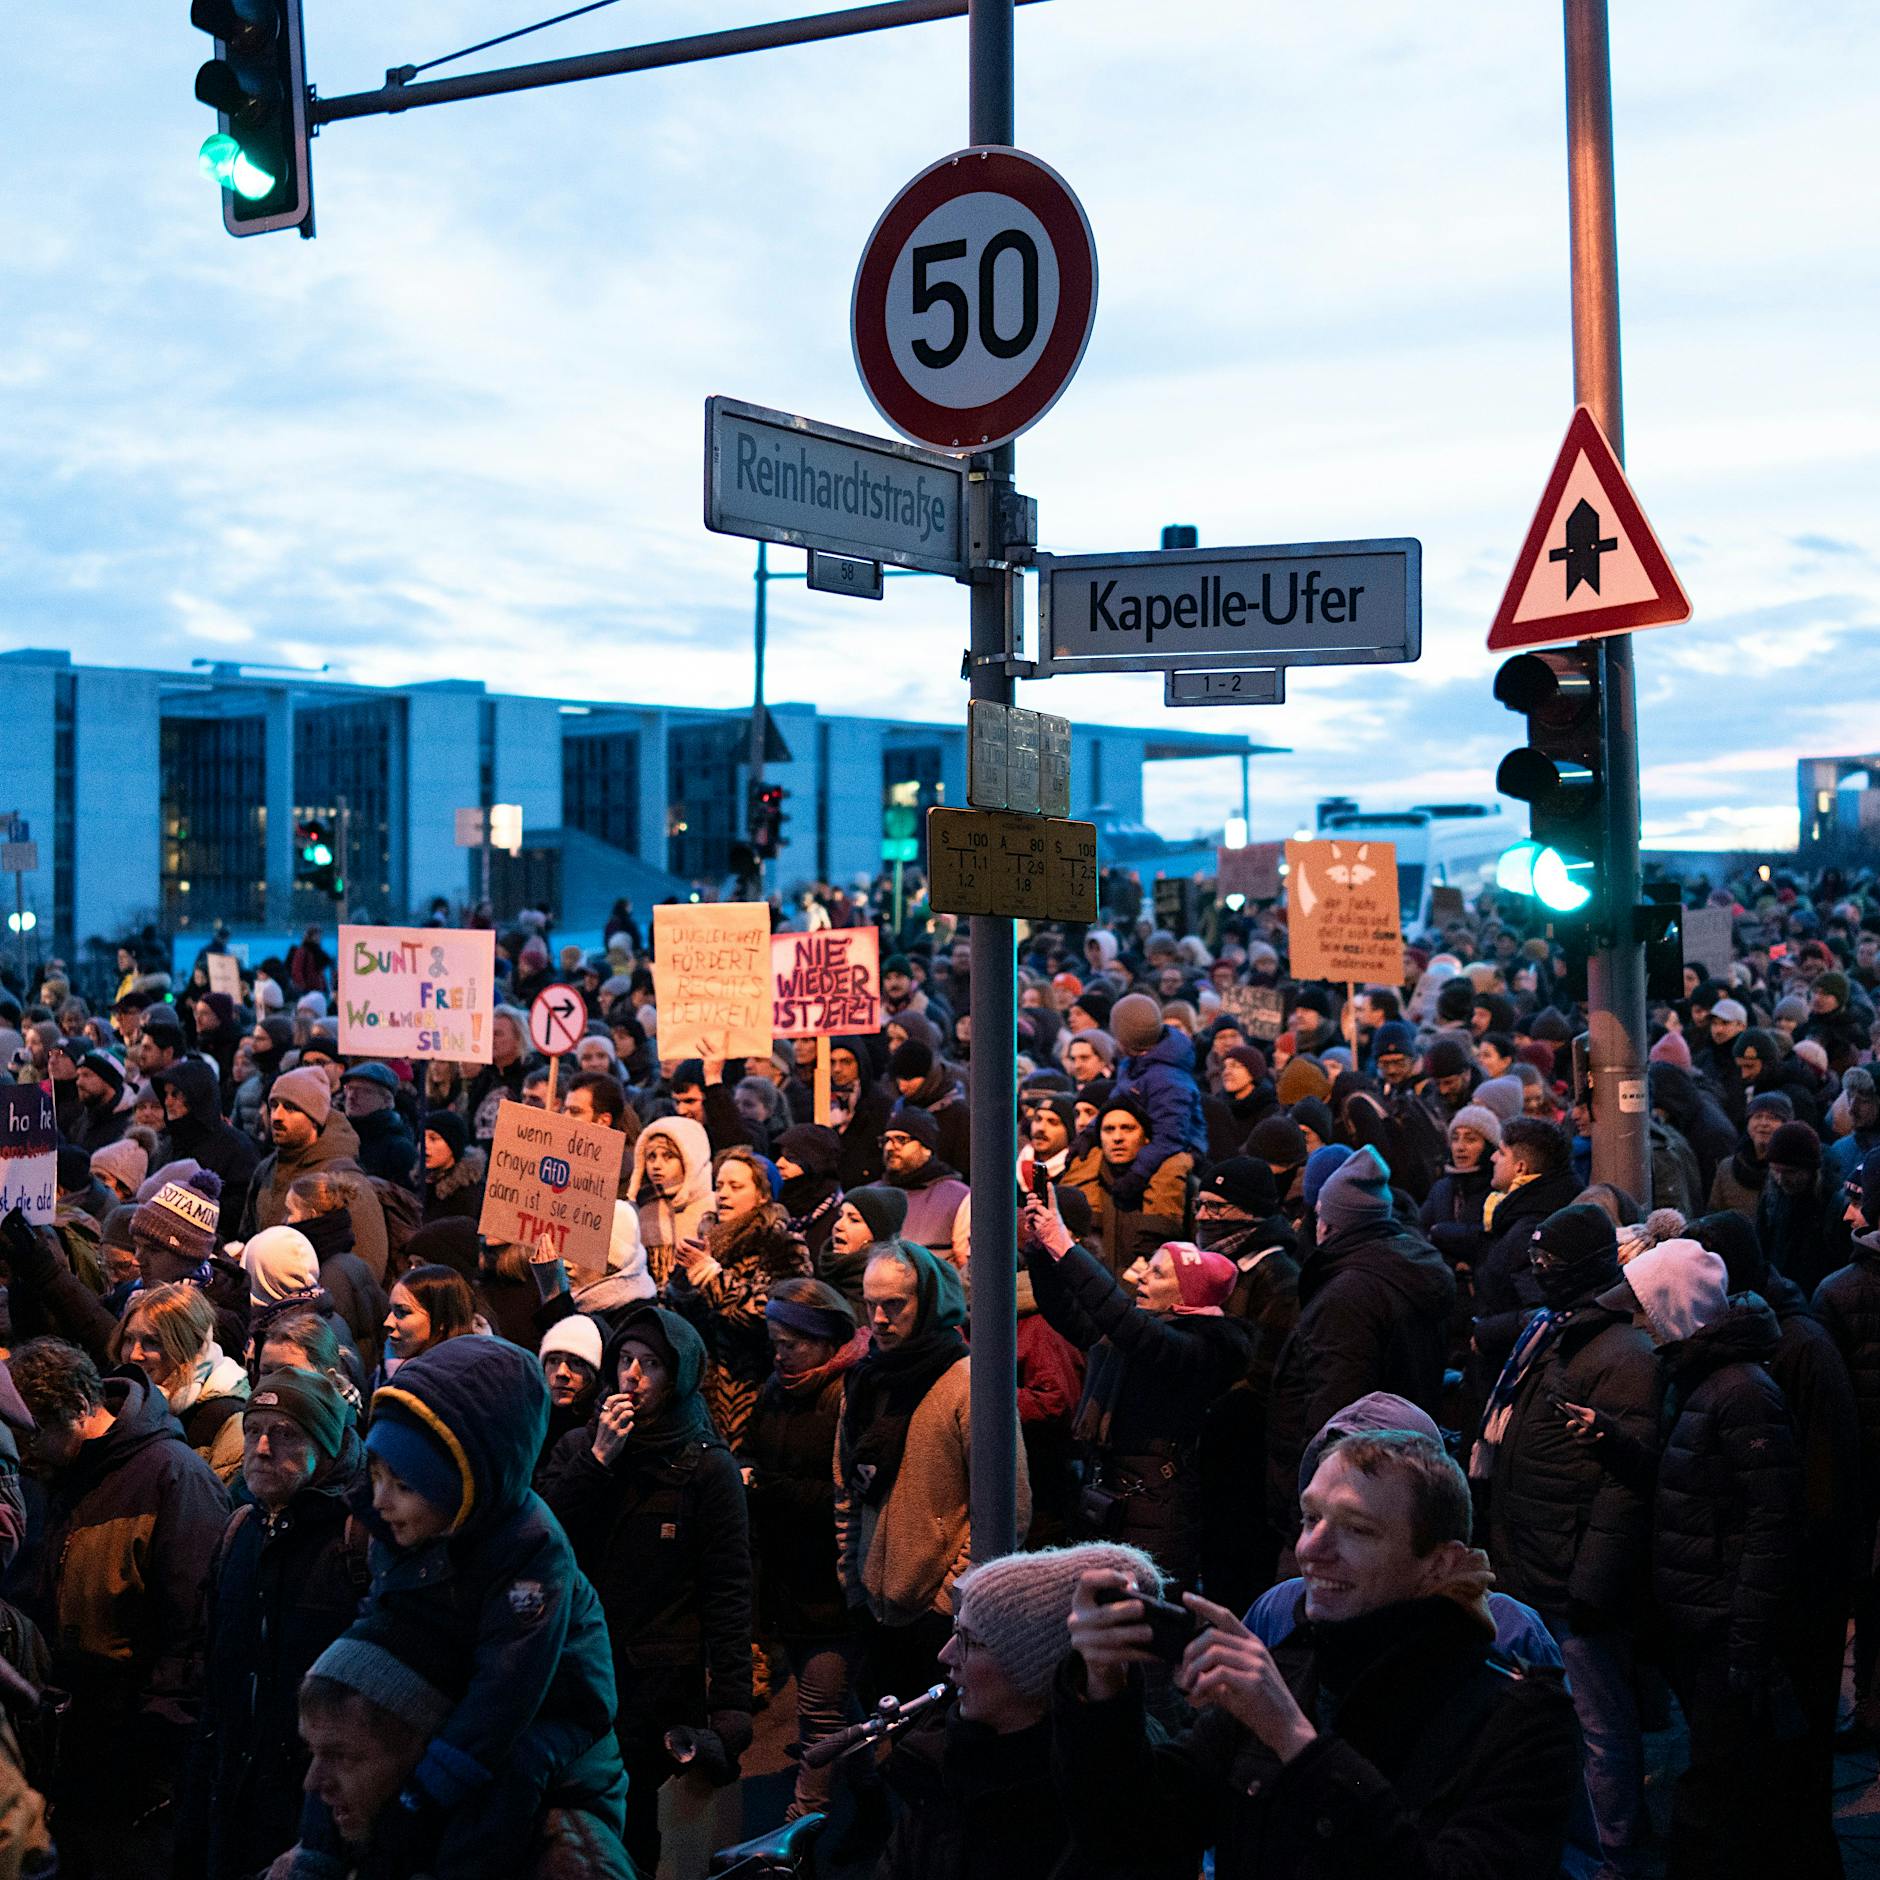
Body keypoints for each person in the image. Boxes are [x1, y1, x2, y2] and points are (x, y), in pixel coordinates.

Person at [1057, 1428, 1582, 1880]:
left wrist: (1297, 1742)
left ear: (1440, 1564)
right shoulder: (1290, 1667)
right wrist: (1101, 1688)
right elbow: (1130, 1835)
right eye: (1310, 1519)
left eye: (1357, 1529)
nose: (1311, 1549)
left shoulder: (1521, 1717)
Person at [288, 1336, 622, 1879]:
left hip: (552, 1714)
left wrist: (424, 1792)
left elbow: (507, 1694)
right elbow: (382, 1621)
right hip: (456, 1688)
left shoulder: (532, 1551)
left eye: (404, 1485)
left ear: (467, 1485)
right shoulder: (405, 1528)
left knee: (498, 1787)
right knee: (342, 1737)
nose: (379, 1501)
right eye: (376, 1475)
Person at [1593, 1236, 1808, 1880]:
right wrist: (1613, 1442)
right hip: (1704, 1617)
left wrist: (1745, 1641)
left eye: (1643, 1307)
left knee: (1719, 1787)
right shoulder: (1699, 1376)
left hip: (1722, 1625)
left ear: (1673, 1307)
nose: (1637, 1321)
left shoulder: (1740, 1389)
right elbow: (1683, 1481)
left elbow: (1773, 1521)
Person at [1470, 1201, 1662, 1876]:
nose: (1536, 1271)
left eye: (1548, 1261)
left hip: (1571, 1568)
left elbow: (1623, 1488)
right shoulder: (1557, 1331)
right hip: (1537, 1552)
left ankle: (1615, 1854)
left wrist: (1591, 1581)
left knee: (1599, 1724)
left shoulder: (1622, 1352)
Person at [540, 1307, 753, 1878]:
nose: (633, 1375)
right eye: (626, 1361)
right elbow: (547, 1542)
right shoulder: (579, 1449)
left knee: (638, 1823)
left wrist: (732, 1705)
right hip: (581, 1666)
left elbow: (728, 1589)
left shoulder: (708, 1468)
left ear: (678, 1375)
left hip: (658, 1678)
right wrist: (598, 1461)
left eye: (651, 1364)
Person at [8, 1337, 230, 1880]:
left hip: (138, 1767)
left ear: (82, 1410)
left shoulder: (172, 1477)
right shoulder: (62, 1475)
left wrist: (153, 1758)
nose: (25, 1452)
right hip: (78, 1753)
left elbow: (195, 1633)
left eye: (35, 1433)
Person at [877, 1542, 1175, 1880]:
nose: (945, 1656)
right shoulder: (940, 1754)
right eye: (954, 1631)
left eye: (969, 1641)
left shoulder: (1107, 1793)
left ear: (1040, 1669)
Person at [178, 1368, 368, 1880]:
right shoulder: (239, 1530)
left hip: (317, 1809)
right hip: (233, 1798)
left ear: (325, 1445)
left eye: (284, 1433)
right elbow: (217, 1685)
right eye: (252, 1429)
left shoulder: (359, 1541)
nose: (261, 1448)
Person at [285, 1617, 632, 1880]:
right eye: (312, 1753)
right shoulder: (370, 1837)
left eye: (343, 1756)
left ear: (430, 1749)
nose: (313, 1783)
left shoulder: (565, 1865)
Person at [1021, 1193, 1250, 1591]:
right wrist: (1040, 1253)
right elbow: (1068, 1314)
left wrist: (1065, 1245)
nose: (1141, 1276)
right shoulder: (1141, 1333)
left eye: (1158, 1274)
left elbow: (1124, 1321)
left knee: (1144, 1622)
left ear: (1187, 1297)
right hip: (1110, 1495)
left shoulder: (1201, 1347)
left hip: (1158, 1508)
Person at [837, 1240, 1028, 1702]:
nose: (878, 1319)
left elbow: (1008, 1509)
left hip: (937, 1616)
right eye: (870, 1304)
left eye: (894, 1305)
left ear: (928, 1303)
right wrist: (852, 1581)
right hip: (875, 1605)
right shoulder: (866, 1380)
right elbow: (846, 1492)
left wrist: (949, 1601)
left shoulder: (969, 1382)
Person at [1264, 1146, 1455, 1552]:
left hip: (1347, 1496)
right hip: (1391, 1481)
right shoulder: (1405, 1268)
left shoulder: (1349, 1295)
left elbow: (1336, 1410)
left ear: (1328, 1224)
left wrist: (1313, 1501)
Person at [741, 1278, 874, 1822]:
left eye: (790, 1342)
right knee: (847, 1713)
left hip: (831, 1586)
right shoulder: (779, 1389)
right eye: (774, 1341)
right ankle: (874, 1808)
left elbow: (851, 1495)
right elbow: (755, 1447)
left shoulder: (850, 1395)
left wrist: (767, 1488)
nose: (779, 1353)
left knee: (818, 1718)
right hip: (789, 1581)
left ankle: (800, 1839)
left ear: (823, 1341)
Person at [665, 1145, 812, 1447]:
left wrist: (710, 1275)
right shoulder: (709, 1241)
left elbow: (770, 1315)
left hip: (756, 1393)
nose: (723, 1194)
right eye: (719, 1186)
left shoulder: (781, 1243)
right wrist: (681, 1284)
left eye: (736, 1186)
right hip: (704, 1393)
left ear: (762, 1195)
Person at [238, 1067, 390, 1284]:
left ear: (314, 1118)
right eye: (274, 1105)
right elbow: (249, 1233)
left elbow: (365, 1271)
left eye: (291, 1108)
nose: (277, 1116)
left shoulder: (344, 1180)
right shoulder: (266, 1169)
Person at [113, 1282, 252, 1483]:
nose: (134, 1354)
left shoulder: (226, 1415)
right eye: (127, 1339)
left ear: (188, 1346)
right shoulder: (122, 1399)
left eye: (152, 1342)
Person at [1060, 1091, 1194, 1282]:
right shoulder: (1086, 1182)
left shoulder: (1175, 1184)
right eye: (1109, 1129)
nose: (1117, 1137)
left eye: (1128, 1128)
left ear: (1146, 1137)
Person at [150, 1058, 260, 1230]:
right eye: (166, 1094)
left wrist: (189, 1205)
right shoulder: (170, 1143)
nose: (167, 1102)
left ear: (198, 1095)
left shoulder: (236, 1146)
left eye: (176, 1094)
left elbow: (241, 1207)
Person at [879, 1107, 971, 1275]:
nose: (890, 1147)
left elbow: (967, 1267)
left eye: (901, 1139)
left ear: (926, 1147)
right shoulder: (872, 1194)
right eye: (886, 1140)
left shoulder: (958, 1196)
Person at [625, 1114, 712, 1290]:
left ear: (689, 1160)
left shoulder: (711, 1206)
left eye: (668, 1156)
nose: (657, 1165)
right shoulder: (637, 1210)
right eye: (651, 1157)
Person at [377, 1264, 478, 1383]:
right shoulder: (388, 1366)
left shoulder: (456, 1383)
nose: (388, 1323)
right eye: (391, 1310)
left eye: (402, 1312)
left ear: (442, 1319)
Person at [820, 1183, 906, 1314]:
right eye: (840, 1216)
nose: (838, 1225)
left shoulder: (891, 1288)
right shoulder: (821, 1279)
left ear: (877, 1235)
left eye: (854, 1220)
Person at [337, 1063, 418, 1190]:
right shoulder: (338, 1133)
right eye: (349, 1088)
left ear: (386, 1100)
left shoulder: (399, 1148)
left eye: (365, 1091)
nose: (352, 1096)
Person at [419, 1110, 487, 1222]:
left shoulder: (468, 1194)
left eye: (433, 1139)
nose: (424, 1144)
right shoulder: (417, 1181)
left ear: (453, 1146)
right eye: (422, 1137)